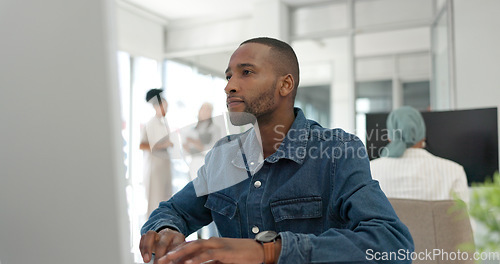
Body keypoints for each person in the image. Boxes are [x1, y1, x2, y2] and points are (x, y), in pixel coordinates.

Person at [139, 37, 413, 264]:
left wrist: (269, 250)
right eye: (228, 75)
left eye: (246, 72)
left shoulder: (337, 152)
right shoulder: (223, 157)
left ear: (285, 84)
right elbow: (173, 211)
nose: (229, 85)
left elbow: (393, 243)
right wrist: (166, 231)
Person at [370, 106, 469, 204]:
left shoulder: (370, 171)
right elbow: (462, 217)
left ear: (389, 137)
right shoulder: (454, 171)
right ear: (423, 137)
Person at [140, 88, 174, 217]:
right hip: (155, 167)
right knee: (155, 200)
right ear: (157, 106)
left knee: (165, 199)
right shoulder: (151, 123)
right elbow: (142, 145)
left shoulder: (163, 123)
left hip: (164, 166)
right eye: (165, 106)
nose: (166, 109)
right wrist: (161, 145)